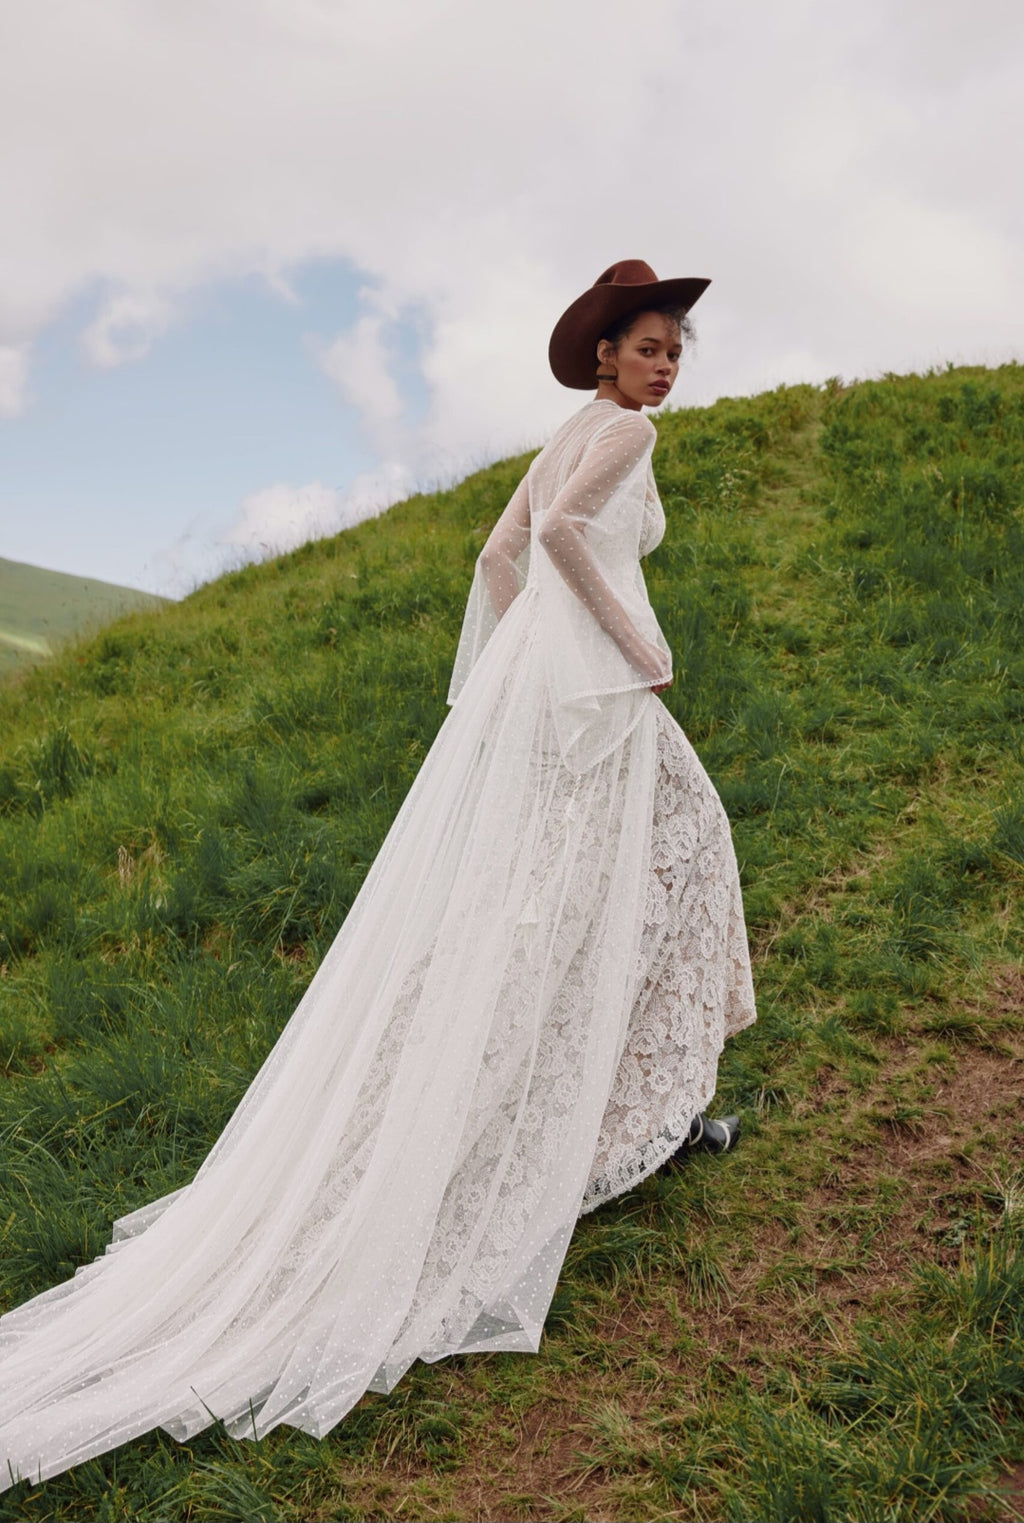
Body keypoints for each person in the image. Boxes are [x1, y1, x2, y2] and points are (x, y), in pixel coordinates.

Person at [0, 259, 756, 1491]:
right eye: (650, 347)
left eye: (677, 349)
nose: (667, 367)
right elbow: (559, 537)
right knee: (641, 874)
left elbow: (498, 552)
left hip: (542, 696)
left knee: (585, 893)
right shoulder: (616, 435)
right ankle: (613, 1117)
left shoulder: (569, 428)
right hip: (596, 701)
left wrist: (521, 668)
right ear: (607, 359)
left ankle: (628, 1110)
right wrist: (637, 645)